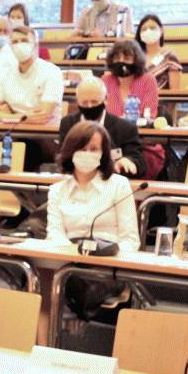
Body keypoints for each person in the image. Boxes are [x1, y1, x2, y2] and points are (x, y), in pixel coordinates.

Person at [48, 121, 140, 324]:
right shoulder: (57, 190)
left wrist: (107, 262)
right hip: (70, 263)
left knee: (64, 283)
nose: (88, 154)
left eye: (94, 149)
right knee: (44, 278)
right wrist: (72, 258)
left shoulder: (118, 186)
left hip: (107, 266)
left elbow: (130, 240)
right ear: (70, 151)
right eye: (82, 149)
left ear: (104, 153)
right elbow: (54, 236)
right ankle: (44, 345)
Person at [60, 77, 146, 178]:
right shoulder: (68, 124)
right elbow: (63, 158)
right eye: (84, 103)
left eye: (94, 102)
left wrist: (128, 161)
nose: (89, 106)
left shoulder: (125, 128)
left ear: (106, 99)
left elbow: (139, 161)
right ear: (77, 101)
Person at [0, 25, 63, 125]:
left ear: (35, 45)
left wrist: (8, 116)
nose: (19, 45)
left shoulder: (52, 72)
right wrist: (21, 118)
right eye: (15, 42)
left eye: (24, 40)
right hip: (12, 131)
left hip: (42, 135)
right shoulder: (5, 73)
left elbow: (42, 117)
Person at [100, 39, 159, 120]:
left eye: (126, 58)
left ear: (136, 61)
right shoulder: (105, 80)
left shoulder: (148, 80)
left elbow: (149, 114)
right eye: (117, 58)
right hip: (109, 131)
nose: (121, 61)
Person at [135, 14, 181, 89]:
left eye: (152, 28)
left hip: (161, 100)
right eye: (144, 29)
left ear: (161, 30)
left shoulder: (169, 56)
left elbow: (175, 92)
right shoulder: (135, 57)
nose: (148, 31)